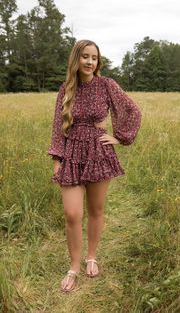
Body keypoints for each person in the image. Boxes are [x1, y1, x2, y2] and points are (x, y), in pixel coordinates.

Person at [48, 39, 141, 292]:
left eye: (94, 58)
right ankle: (74, 266)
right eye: (85, 57)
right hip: (71, 154)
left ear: (98, 61)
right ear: (76, 59)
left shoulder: (106, 85)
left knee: (96, 210)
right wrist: (57, 158)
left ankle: (91, 256)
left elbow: (132, 109)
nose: (90, 62)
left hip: (99, 151)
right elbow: (58, 125)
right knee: (72, 214)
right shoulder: (66, 88)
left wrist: (120, 137)